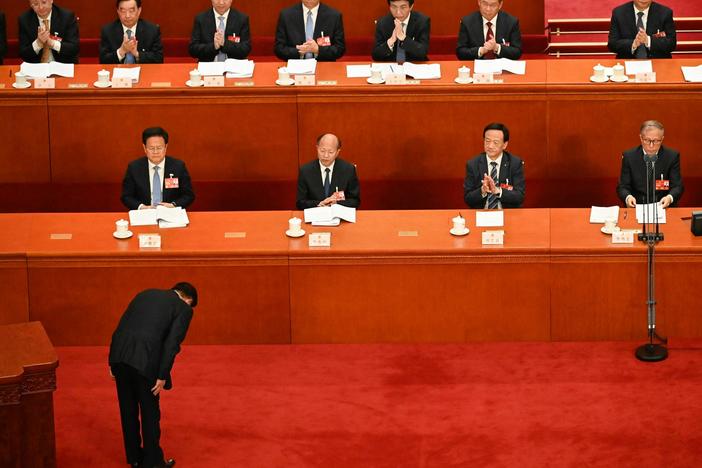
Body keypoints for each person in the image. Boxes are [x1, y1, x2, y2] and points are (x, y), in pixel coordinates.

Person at [109, 283, 198, 468]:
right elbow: (172, 344)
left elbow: (122, 324)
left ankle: (134, 458)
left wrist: (112, 359)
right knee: (150, 413)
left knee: (128, 409)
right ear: (187, 299)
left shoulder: (144, 293)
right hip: (145, 363)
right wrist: (162, 375)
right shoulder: (183, 308)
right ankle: (153, 463)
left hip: (120, 356)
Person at [121, 127, 195, 210]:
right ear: (144, 148)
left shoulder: (178, 166)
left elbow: (188, 195)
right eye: (151, 148)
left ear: (166, 147)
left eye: (159, 148)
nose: (155, 152)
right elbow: (126, 196)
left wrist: (173, 205)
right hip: (143, 214)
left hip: (171, 213)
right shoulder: (134, 168)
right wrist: (142, 207)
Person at [617, 120, 683, 208]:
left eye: (656, 141)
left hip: (663, 208)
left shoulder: (671, 156)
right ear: (641, 138)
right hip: (637, 208)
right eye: (647, 140)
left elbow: (677, 186)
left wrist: (669, 198)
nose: (651, 146)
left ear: (662, 139)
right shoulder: (629, 156)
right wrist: (628, 197)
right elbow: (622, 187)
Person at [464, 123, 525, 209]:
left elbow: (520, 196)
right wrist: (482, 190)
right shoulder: (473, 164)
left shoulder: (515, 163)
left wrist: (498, 191)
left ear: (505, 145)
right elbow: (468, 198)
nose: (490, 146)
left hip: (507, 215)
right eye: (487, 141)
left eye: (495, 142)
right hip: (482, 214)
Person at [296, 133, 360, 209]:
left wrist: (336, 203)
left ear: (337, 152)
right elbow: (300, 202)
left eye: (330, 152)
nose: (326, 155)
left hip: (339, 216)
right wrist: (320, 203)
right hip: (316, 216)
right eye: (322, 151)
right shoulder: (305, 171)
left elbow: (355, 201)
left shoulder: (348, 169)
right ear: (317, 148)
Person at [274, 0, 345, 61]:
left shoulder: (334, 16)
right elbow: (279, 48)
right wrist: (299, 52)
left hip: (324, 68)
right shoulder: (286, 15)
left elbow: (340, 49)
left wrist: (318, 50)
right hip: (295, 67)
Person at [100, 0, 163, 64]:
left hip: (144, 72)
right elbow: (103, 61)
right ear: (118, 11)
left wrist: (137, 54)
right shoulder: (108, 31)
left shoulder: (152, 30)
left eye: (131, 11)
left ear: (139, 11)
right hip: (117, 72)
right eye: (123, 11)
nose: (127, 16)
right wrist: (121, 51)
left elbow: (159, 59)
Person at [608, 0, 676, 59]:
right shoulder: (619, 13)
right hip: (628, 62)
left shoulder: (665, 13)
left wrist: (648, 40)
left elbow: (671, 44)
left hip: (658, 63)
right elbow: (612, 44)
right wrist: (633, 44)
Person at [456, 0, 522, 60]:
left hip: (502, 68)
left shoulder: (511, 22)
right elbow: (460, 52)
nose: (488, 9)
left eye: (493, 5)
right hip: (476, 68)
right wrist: (480, 51)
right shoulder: (467, 22)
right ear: (479, 2)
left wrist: (497, 47)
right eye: (484, 3)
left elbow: (517, 52)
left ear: (500, 5)